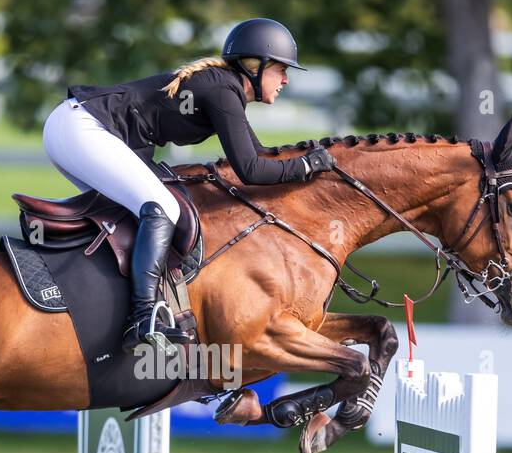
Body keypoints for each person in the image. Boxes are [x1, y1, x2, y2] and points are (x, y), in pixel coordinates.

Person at [42, 18, 337, 356]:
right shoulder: (222, 89)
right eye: (281, 69)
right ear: (255, 66)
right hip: (82, 128)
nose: (285, 79)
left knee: (140, 210)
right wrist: (307, 166)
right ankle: (143, 318)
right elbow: (251, 170)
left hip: (76, 128)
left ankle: (102, 302)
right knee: (162, 207)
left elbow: (255, 156)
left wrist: (305, 162)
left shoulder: (225, 88)